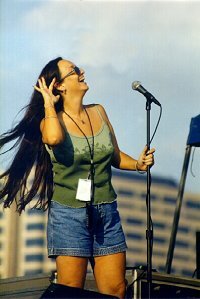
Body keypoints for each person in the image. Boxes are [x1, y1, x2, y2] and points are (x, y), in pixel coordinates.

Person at [0, 57, 155, 299]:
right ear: (59, 86)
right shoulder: (50, 121)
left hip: (106, 212)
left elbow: (114, 155)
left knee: (116, 290)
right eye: (74, 70)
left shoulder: (99, 111)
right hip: (69, 214)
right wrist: (50, 106)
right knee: (71, 292)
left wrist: (137, 163)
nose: (81, 71)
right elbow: (53, 139)